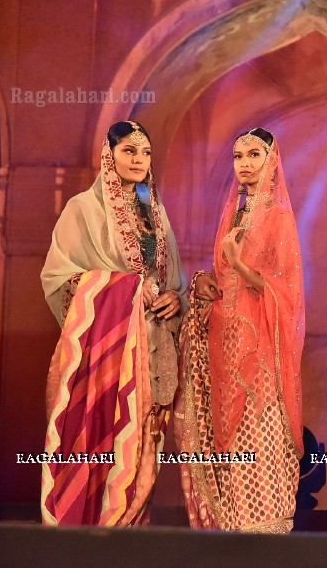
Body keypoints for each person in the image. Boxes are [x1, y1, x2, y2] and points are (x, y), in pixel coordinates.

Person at [40, 120, 185, 525]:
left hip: (155, 349)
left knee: (144, 449)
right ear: (110, 155)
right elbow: (58, 278)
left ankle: (130, 541)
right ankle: (94, 542)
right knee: (105, 440)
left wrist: (178, 297)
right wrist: (125, 291)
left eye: (145, 153)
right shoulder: (82, 209)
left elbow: (175, 280)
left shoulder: (156, 214)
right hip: (106, 353)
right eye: (129, 151)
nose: (139, 160)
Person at [177, 127, 305, 534]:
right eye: (238, 156)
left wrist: (241, 264)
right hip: (223, 343)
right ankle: (230, 531)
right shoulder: (230, 212)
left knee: (259, 431)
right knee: (228, 440)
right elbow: (221, 277)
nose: (245, 164)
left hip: (262, 347)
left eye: (254, 154)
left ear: (271, 159)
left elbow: (287, 291)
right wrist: (202, 282)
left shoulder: (279, 217)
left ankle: (263, 531)